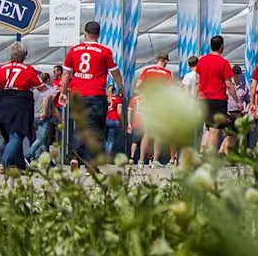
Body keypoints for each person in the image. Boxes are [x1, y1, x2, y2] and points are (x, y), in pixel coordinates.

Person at [0, 43, 51, 173]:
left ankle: (21, 165)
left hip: (4, 103)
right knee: (17, 135)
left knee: (10, 134)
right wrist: (55, 93)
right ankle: (4, 163)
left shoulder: (2, 68)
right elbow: (42, 88)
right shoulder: (28, 69)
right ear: (25, 55)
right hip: (20, 103)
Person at [60, 21, 122, 169]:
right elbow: (115, 72)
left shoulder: (74, 50)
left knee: (80, 126)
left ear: (84, 33)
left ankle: (75, 156)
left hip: (77, 94)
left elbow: (66, 73)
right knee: (95, 129)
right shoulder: (105, 51)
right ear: (99, 34)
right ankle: (91, 164)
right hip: (95, 94)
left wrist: (62, 92)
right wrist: (122, 88)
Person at [195, 35, 238, 154]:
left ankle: (203, 154)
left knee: (208, 129)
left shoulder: (202, 61)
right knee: (215, 130)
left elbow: (197, 82)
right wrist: (237, 101)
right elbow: (229, 84)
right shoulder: (223, 63)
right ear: (221, 47)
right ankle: (212, 159)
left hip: (203, 99)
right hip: (218, 99)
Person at [133, 53, 173, 165]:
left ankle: (141, 160)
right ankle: (155, 160)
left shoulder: (147, 70)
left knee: (146, 132)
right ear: (164, 61)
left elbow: (138, 85)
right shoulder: (167, 73)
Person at [105, 83, 124, 156]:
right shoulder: (117, 99)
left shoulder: (105, 99)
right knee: (111, 140)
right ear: (114, 91)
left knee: (105, 139)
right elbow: (119, 112)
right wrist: (122, 122)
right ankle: (108, 155)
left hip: (105, 119)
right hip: (114, 120)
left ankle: (104, 154)